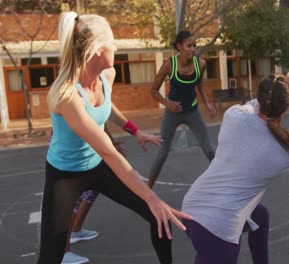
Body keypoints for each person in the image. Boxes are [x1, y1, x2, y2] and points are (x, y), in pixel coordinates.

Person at [37, 12, 191, 264]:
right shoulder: (68, 95)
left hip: (97, 164)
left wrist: (134, 130)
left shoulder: (106, 76)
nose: (116, 47)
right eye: (112, 41)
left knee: (158, 215)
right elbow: (109, 152)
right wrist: (153, 196)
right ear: (98, 49)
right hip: (65, 174)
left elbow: (106, 108)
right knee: (50, 256)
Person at [181, 73, 289, 263]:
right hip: (217, 228)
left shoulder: (234, 116)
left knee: (260, 217)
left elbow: (254, 104)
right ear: (287, 107)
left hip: (191, 207)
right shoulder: (285, 152)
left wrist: (274, 88)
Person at [149, 30, 216, 188]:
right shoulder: (169, 65)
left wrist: (206, 103)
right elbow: (153, 91)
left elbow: (199, 83)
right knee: (162, 154)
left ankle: (222, 185)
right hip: (172, 113)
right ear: (179, 46)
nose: (193, 49)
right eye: (189, 46)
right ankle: (147, 192)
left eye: (195, 46)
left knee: (209, 150)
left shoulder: (201, 64)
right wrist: (168, 104)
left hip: (192, 112)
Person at [62, 126, 127, 264]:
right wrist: (134, 131)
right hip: (74, 145)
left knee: (91, 188)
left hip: (84, 142)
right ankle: (63, 251)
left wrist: (111, 142)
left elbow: (103, 120)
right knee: (75, 196)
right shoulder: (76, 104)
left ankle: (76, 230)